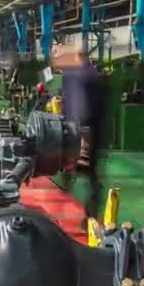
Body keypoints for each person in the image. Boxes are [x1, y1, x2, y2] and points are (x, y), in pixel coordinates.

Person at [51, 44, 104, 230]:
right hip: (76, 131)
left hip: (84, 134)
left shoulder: (84, 75)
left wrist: (84, 140)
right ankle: (84, 216)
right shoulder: (74, 74)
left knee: (86, 174)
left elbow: (84, 107)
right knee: (76, 174)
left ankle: (89, 218)